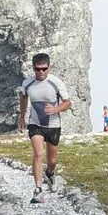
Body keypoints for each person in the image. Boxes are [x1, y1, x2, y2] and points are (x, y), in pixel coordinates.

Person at [18, 52, 71, 202]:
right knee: (38, 153)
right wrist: (22, 117)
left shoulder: (56, 83)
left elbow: (68, 103)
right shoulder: (27, 83)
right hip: (36, 124)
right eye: (37, 69)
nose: (41, 72)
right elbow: (23, 97)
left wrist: (55, 109)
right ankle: (38, 190)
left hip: (53, 125)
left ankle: (50, 173)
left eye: (44, 69)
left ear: (49, 67)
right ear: (33, 68)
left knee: (52, 161)